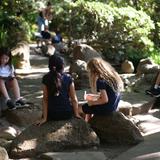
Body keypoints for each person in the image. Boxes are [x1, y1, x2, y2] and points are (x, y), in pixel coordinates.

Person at [36, 55, 81, 126]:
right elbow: (74, 99)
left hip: (52, 114)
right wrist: (76, 114)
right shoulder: (68, 78)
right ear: (62, 66)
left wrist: (44, 118)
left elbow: (45, 99)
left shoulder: (46, 78)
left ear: (50, 66)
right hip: (66, 113)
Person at [79, 58, 124, 122]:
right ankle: (89, 123)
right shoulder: (113, 77)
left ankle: (83, 126)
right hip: (113, 107)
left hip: (106, 108)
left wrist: (92, 103)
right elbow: (108, 95)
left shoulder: (101, 81)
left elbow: (104, 100)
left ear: (93, 70)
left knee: (78, 108)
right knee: (89, 105)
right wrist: (93, 98)